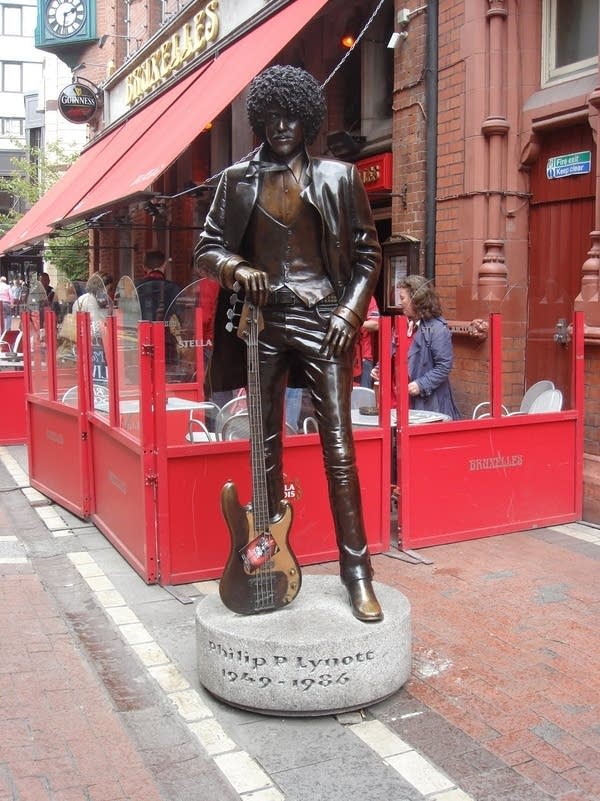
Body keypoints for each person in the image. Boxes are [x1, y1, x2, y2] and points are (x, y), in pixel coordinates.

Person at [195, 65, 383, 622]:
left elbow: (368, 254)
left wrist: (350, 311)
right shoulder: (236, 180)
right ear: (260, 120)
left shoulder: (339, 178)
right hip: (263, 325)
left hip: (324, 320)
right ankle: (270, 564)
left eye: (292, 117)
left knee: (339, 450)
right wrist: (235, 268)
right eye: (272, 117)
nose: (281, 126)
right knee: (265, 449)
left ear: (307, 120)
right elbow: (206, 248)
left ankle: (358, 574)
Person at [396, 275, 461, 419]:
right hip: (402, 401)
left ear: (416, 300)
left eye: (402, 298)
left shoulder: (437, 328)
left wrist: (421, 384)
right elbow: (394, 352)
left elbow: (444, 366)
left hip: (429, 403)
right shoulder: (404, 324)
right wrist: (379, 368)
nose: (400, 303)